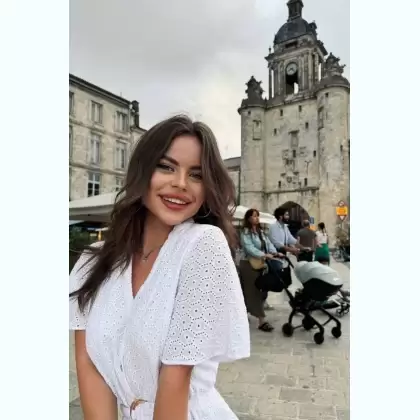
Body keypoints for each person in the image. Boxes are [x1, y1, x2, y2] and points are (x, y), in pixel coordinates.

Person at [69, 115, 250, 420]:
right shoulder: (93, 261)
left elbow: (176, 377)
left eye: (196, 175)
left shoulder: (202, 245)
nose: (180, 183)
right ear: (142, 171)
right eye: (166, 167)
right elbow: (89, 364)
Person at [239, 208, 283, 332]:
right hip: (248, 264)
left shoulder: (260, 232)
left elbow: (268, 244)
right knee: (253, 291)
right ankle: (261, 321)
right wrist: (263, 255)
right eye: (254, 216)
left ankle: (244, 312)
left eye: (257, 216)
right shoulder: (245, 232)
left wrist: (275, 253)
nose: (257, 218)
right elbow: (249, 248)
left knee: (261, 290)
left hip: (260, 264)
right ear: (248, 218)